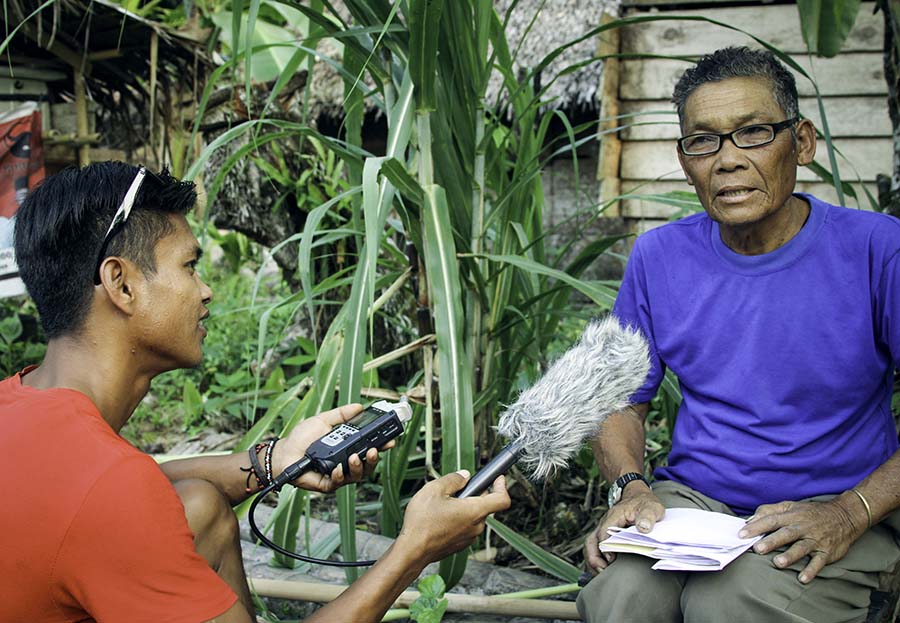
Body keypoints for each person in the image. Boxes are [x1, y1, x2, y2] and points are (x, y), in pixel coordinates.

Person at [0, 162, 511, 623]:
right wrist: (415, 550)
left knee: (198, 504)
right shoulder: (108, 493)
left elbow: (126, 489)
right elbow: (115, 498)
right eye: (189, 265)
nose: (206, 290)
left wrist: (275, 461)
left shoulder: (19, 404)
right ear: (122, 284)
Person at [577, 46, 900, 623]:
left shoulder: (879, 251)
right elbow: (618, 401)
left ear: (800, 142)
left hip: (840, 504)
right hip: (694, 506)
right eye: (703, 141)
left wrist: (850, 513)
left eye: (753, 133)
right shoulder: (659, 256)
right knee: (621, 597)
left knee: (726, 606)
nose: (727, 160)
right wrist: (630, 486)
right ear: (685, 160)